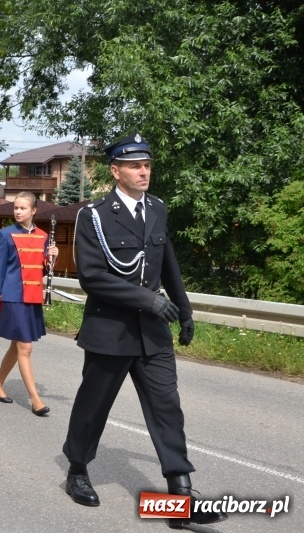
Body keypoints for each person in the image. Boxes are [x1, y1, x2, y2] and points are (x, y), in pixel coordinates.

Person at [62, 133, 226, 527]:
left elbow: (166, 258)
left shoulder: (157, 209)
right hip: (110, 329)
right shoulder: (95, 215)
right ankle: (77, 470)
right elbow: (92, 277)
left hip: (152, 332)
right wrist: (148, 300)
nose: (144, 171)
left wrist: (184, 310)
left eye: (147, 164)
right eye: (135, 165)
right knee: (93, 406)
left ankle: (181, 497)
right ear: (115, 171)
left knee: (167, 409)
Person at [0, 191, 57, 415]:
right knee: (25, 348)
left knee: (16, 346)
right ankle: (35, 399)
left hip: (32, 297)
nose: (17, 211)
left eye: (22, 208)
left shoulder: (44, 236)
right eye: (15, 208)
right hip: (13, 296)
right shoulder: (5, 235)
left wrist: (51, 257)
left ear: (33, 210)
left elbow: (43, 269)